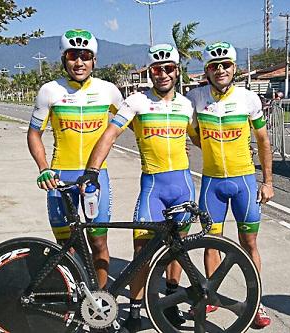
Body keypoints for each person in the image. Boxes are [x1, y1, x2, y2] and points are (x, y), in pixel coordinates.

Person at [80, 43, 196, 332]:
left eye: (169, 68)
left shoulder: (187, 105)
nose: (163, 74)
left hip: (183, 185)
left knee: (177, 249)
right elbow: (109, 134)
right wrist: (92, 171)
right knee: (141, 250)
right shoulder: (136, 102)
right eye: (157, 69)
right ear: (149, 72)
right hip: (153, 188)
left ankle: (171, 303)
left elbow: (201, 139)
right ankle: (134, 308)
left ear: (177, 71)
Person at [186, 41, 274, 329]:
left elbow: (263, 141)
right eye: (214, 65)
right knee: (211, 243)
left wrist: (268, 182)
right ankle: (212, 295)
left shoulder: (249, 99)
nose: (220, 69)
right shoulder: (196, 98)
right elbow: (193, 134)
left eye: (225, 64)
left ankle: (256, 302)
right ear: (207, 71)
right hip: (212, 182)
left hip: (244, 182)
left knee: (249, 243)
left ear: (234, 68)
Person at [27, 29, 123, 289]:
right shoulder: (49, 91)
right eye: (73, 56)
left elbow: (135, 124)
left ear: (94, 61)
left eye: (85, 56)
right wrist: (43, 168)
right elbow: (34, 133)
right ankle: (78, 296)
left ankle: (102, 302)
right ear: (63, 59)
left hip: (95, 177)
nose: (79, 62)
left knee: (99, 242)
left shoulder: (109, 91)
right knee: (66, 246)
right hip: (60, 177)